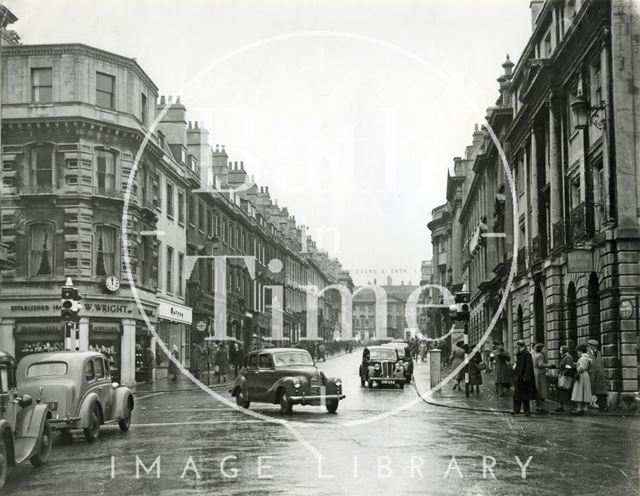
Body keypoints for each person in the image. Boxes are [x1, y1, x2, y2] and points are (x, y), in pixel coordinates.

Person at [511, 340, 536, 416]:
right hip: (518, 377)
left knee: (525, 395)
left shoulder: (527, 354)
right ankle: (516, 409)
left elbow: (529, 367)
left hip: (523, 378)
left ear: (519, 346)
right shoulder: (520, 354)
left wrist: (526, 377)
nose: (516, 347)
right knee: (517, 394)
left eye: (517, 346)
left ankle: (526, 411)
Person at [531, 343, 555, 413]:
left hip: (535, 373)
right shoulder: (541, 355)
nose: (545, 350)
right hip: (540, 374)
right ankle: (541, 407)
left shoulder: (534, 354)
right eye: (544, 348)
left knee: (537, 390)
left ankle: (538, 406)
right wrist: (549, 365)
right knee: (541, 391)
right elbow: (540, 364)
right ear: (541, 349)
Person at [571, 344, 592, 414]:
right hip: (585, 375)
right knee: (585, 391)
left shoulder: (582, 358)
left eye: (578, 351)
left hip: (581, 375)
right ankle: (585, 408)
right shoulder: (587, 358)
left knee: (579, 391)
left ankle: (579, 408)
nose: (577, 353)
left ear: (580, 351)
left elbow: (582, 367)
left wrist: (576, 369)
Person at [587, 339, 608, 411]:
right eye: (593, 346)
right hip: (591, 375)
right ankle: (587, 406)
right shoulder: (587, 354)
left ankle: (603, 407)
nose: (595, 347)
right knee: (589, 391)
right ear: (589, 346)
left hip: (600, 376)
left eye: (596, 346)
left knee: (601, 392)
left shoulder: (599, 353)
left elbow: (601, 363)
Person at [556, 346, 575, 413]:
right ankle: (561, 407)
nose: (560, 351)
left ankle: (570, 408)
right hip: (562, 376)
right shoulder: (564, 357)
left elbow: (569, 367)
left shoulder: (568, 357)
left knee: (566, 392)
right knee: (561, 392)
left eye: (561, 350)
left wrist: (564, 372)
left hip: (566, 377)